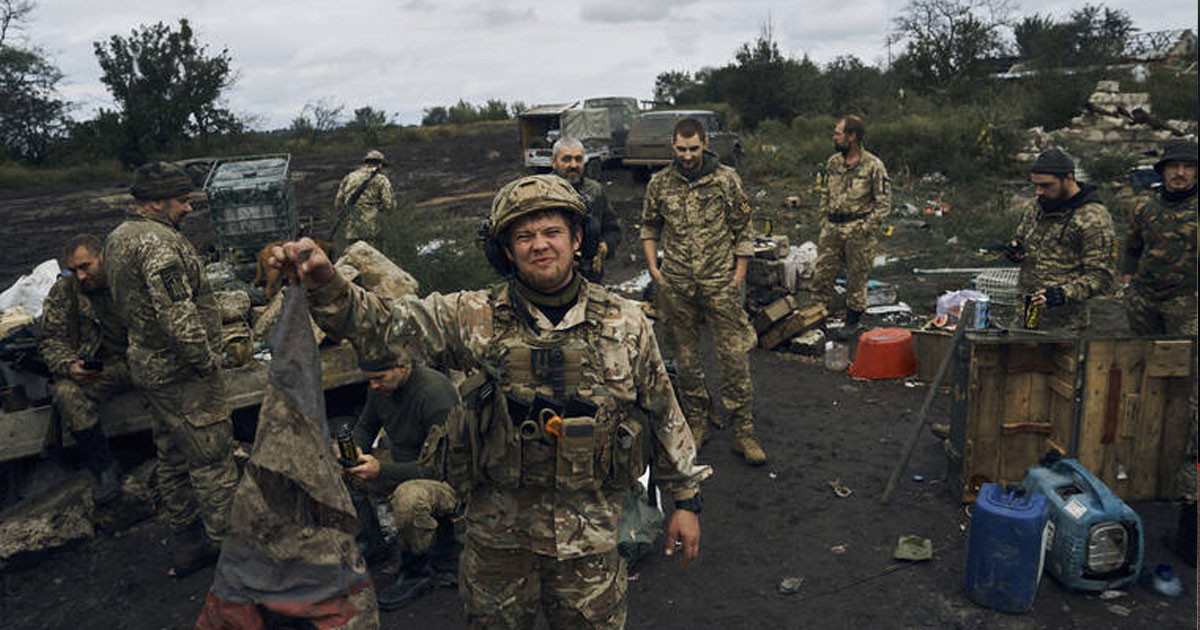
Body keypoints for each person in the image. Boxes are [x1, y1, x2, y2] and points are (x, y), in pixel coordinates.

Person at [270, 174, 710, 629]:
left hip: (590, 543)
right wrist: (327, 284)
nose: (540, 245)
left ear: (577, 239)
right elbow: (387, 326)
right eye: (524, 236)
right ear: (506, 251)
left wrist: (686, 502)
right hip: (499, 545)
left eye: (552, 232)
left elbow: (663, 411)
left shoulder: (626, 323)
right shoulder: (473, 316)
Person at [104, 162, 239, 577]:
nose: (189, 209)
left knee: (173, 455)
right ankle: (232, 552)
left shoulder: (118, 237)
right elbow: (177, 315)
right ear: (155, 202)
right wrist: (206, 361)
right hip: (183, 373)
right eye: (182, 201)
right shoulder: (159, 245)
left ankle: (186, 541)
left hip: (150, 368)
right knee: (212, 458)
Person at [640, 117, 764, 464]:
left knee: (734, 357)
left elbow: (744, 227)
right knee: (685, 359)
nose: (687, 155)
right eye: (681, 149)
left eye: (693, 148)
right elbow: (650, 226)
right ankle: (697, 421)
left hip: (721, 283)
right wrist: (654, 269)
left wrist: (739, 274)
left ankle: (743, 431)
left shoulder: (727, 180)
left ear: (705, 143)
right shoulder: (660, 183)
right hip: (677, 284)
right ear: (673, 145)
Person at [342, 352, 462, 611]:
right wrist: (355, 451)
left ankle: (418, 569)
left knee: (409, 499)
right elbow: (366, 426)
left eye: (379, 378)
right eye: (369, 379)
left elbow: (440, 469)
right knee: (344, 469)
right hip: (404, 466)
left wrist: (381, 470)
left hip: (447, 479)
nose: (373, 385)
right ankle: (373, 543)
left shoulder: (434, 394)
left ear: (404, 367)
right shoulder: (380, 389)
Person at [39, 234, 134, 505]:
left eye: (85, 266)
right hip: (100, 371)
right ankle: (103, 468)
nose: (80, 275)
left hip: (139, 362)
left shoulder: (127, 280)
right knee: (65, 392)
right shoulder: (65, 292)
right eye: (73, 270)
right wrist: (70, 365)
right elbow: (51, 340)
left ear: (102, 257)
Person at [1003, 148, 1117, 333]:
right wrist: (1016, 250)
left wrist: (1063, 294)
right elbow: (1021, 238)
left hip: (1066, 326)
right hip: (1026, 316)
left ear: (1069, 178)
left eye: (1046, 185)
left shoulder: (1093, 219)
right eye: (1035, 185)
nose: (1039, 192)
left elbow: (1102, 277)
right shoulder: (1036, 207)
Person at [810, 115, 891, 337]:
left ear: (852, 136)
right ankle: (817, 320)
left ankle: (852, 323)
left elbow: (883, 203)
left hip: (858, 230)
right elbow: (825, 192)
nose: (834, 137)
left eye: (838, 133)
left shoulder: (873, 165)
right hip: (832, 229)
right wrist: (824, 219)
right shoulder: (833, 163)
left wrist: (866, 228)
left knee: (856, 278)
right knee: (821, 276)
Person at [1122, 139, 1197, 336]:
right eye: (1173, 166)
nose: (1180, 173)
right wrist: (1128, 284)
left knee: (1185, 354)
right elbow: (1133, 248)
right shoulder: (1144, 206)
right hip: (1144, 301)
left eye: (1188, 167)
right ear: (1163, 170)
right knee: (1143, 352)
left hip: (1188, 304)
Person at [550, 138, 621, 282]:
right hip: (552, 276)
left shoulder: (594, 191)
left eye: (578, 159)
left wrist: (604, 247)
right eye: (567, 159)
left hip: (589, 276)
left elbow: (612, 229)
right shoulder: (541, 192)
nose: (573, 165)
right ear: (553, 161)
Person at [330, 149, 395, 247]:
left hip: (352, 229)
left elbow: (338, 204)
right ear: (379, 164)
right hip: (371, 228)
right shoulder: (381, 179)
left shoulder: (349, 177)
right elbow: (389, 205)